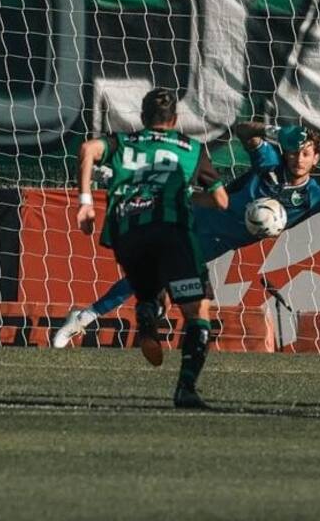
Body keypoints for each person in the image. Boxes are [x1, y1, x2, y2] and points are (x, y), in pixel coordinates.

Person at [54, 123, 320, 347]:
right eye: (293, 152)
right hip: (195, 210)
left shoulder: (315, 196)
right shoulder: (269, 162)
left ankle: (86, 316)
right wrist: (277, 132)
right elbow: (243, 129)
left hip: (215, 243)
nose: (297, 158)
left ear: (317, 158)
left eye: (305, 154)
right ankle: (114, 175)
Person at [74, 87, 228, 409]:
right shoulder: (192, 147)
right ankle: (186, 388)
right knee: (197, 311)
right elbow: (220, 200)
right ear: (175, 119)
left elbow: (87, 148)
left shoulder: (123, 142)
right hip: (173, 233)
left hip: (127, 233)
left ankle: (148, 309)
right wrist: (187, 194)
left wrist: (86, 202)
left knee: (150, 285)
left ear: (143, 118)